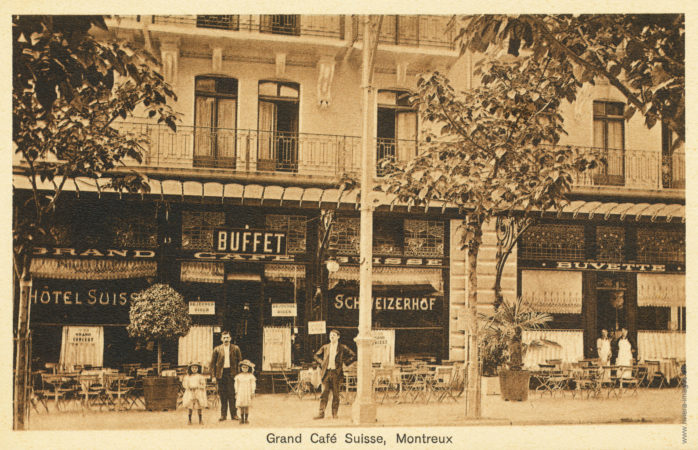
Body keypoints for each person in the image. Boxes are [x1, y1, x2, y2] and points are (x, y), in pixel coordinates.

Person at [313, 329, 356, 420]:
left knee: (336, 395)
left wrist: (345, 363)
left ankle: (334, 414)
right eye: (330, 335)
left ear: (338, 337)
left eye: (334, 335)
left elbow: (354, 355)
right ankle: (321, 413)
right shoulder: (325, 347)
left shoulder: (342, 347)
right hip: (326, 373)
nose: (331, 337)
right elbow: (316, 356)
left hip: (337, 374)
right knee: (324, 394)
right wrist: (322, 363)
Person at [210, 331, 242, 421]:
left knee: (232, 395)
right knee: (223, 395)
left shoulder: (236, 348)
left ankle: (234, 415)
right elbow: (212, 364)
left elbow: (240, 363)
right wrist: (213, 376)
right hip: (221, 374)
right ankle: (223, 415)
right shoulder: (217, 349)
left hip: (232, 374)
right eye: (224, 338)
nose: (226, 339)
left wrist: (239, 375)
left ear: (230, 338)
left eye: (227, 337)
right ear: (221, 339)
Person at [234, 359, 256, 425]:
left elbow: (253, 384)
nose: (244, 369)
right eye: (243, 367)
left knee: (246, 406)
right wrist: (236, 392)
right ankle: (242, 419)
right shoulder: (238, 376)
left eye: (246, 367)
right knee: (241, 406)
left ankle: (246, 419)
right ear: (241, 368)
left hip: (247, 392)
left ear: (248, 368)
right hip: (241, 392)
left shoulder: (250, 376)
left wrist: (252, 392)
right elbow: (236, 385)